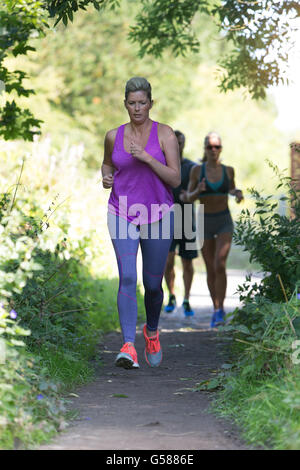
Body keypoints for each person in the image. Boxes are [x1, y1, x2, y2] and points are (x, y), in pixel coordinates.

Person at [101, 77, 180, 369]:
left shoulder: (165, 135)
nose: (137, 108)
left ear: (151, 103)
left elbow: (175, 179)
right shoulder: (113, 136)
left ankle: (152, 331)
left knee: (152, 284)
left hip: (158, 213)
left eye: (142, 103)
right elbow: (108, 164)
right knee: (127, 277)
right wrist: (106, 177)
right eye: (132, 103)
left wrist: (147, 158)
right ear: (125, 104)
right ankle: (128, 345)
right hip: (121, 211)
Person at [185, 132, 243, 328]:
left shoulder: (228, 171)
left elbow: (232, 189)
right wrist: (197, 191)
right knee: (210, 267)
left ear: (221, 149)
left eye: (216, 147)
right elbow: (187, 197)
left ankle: (221, 309)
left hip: (224, 220)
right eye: (210, 147)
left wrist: (238, 193)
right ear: (204, 148)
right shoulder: (196, 171)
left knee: (220, 263)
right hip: (204, 221)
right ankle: (216, 308)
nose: (213, 150)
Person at [164, 131, 198, 317]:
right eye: (175, 142)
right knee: (167, 261)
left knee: (187, 262)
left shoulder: (192, 167)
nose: (178, 145)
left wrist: (191, 196)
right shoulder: (161, 165)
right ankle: (171, 295)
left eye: (181, 142)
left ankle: (186, 299)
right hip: (166, 218)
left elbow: (199, 191)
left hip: (186, 217)